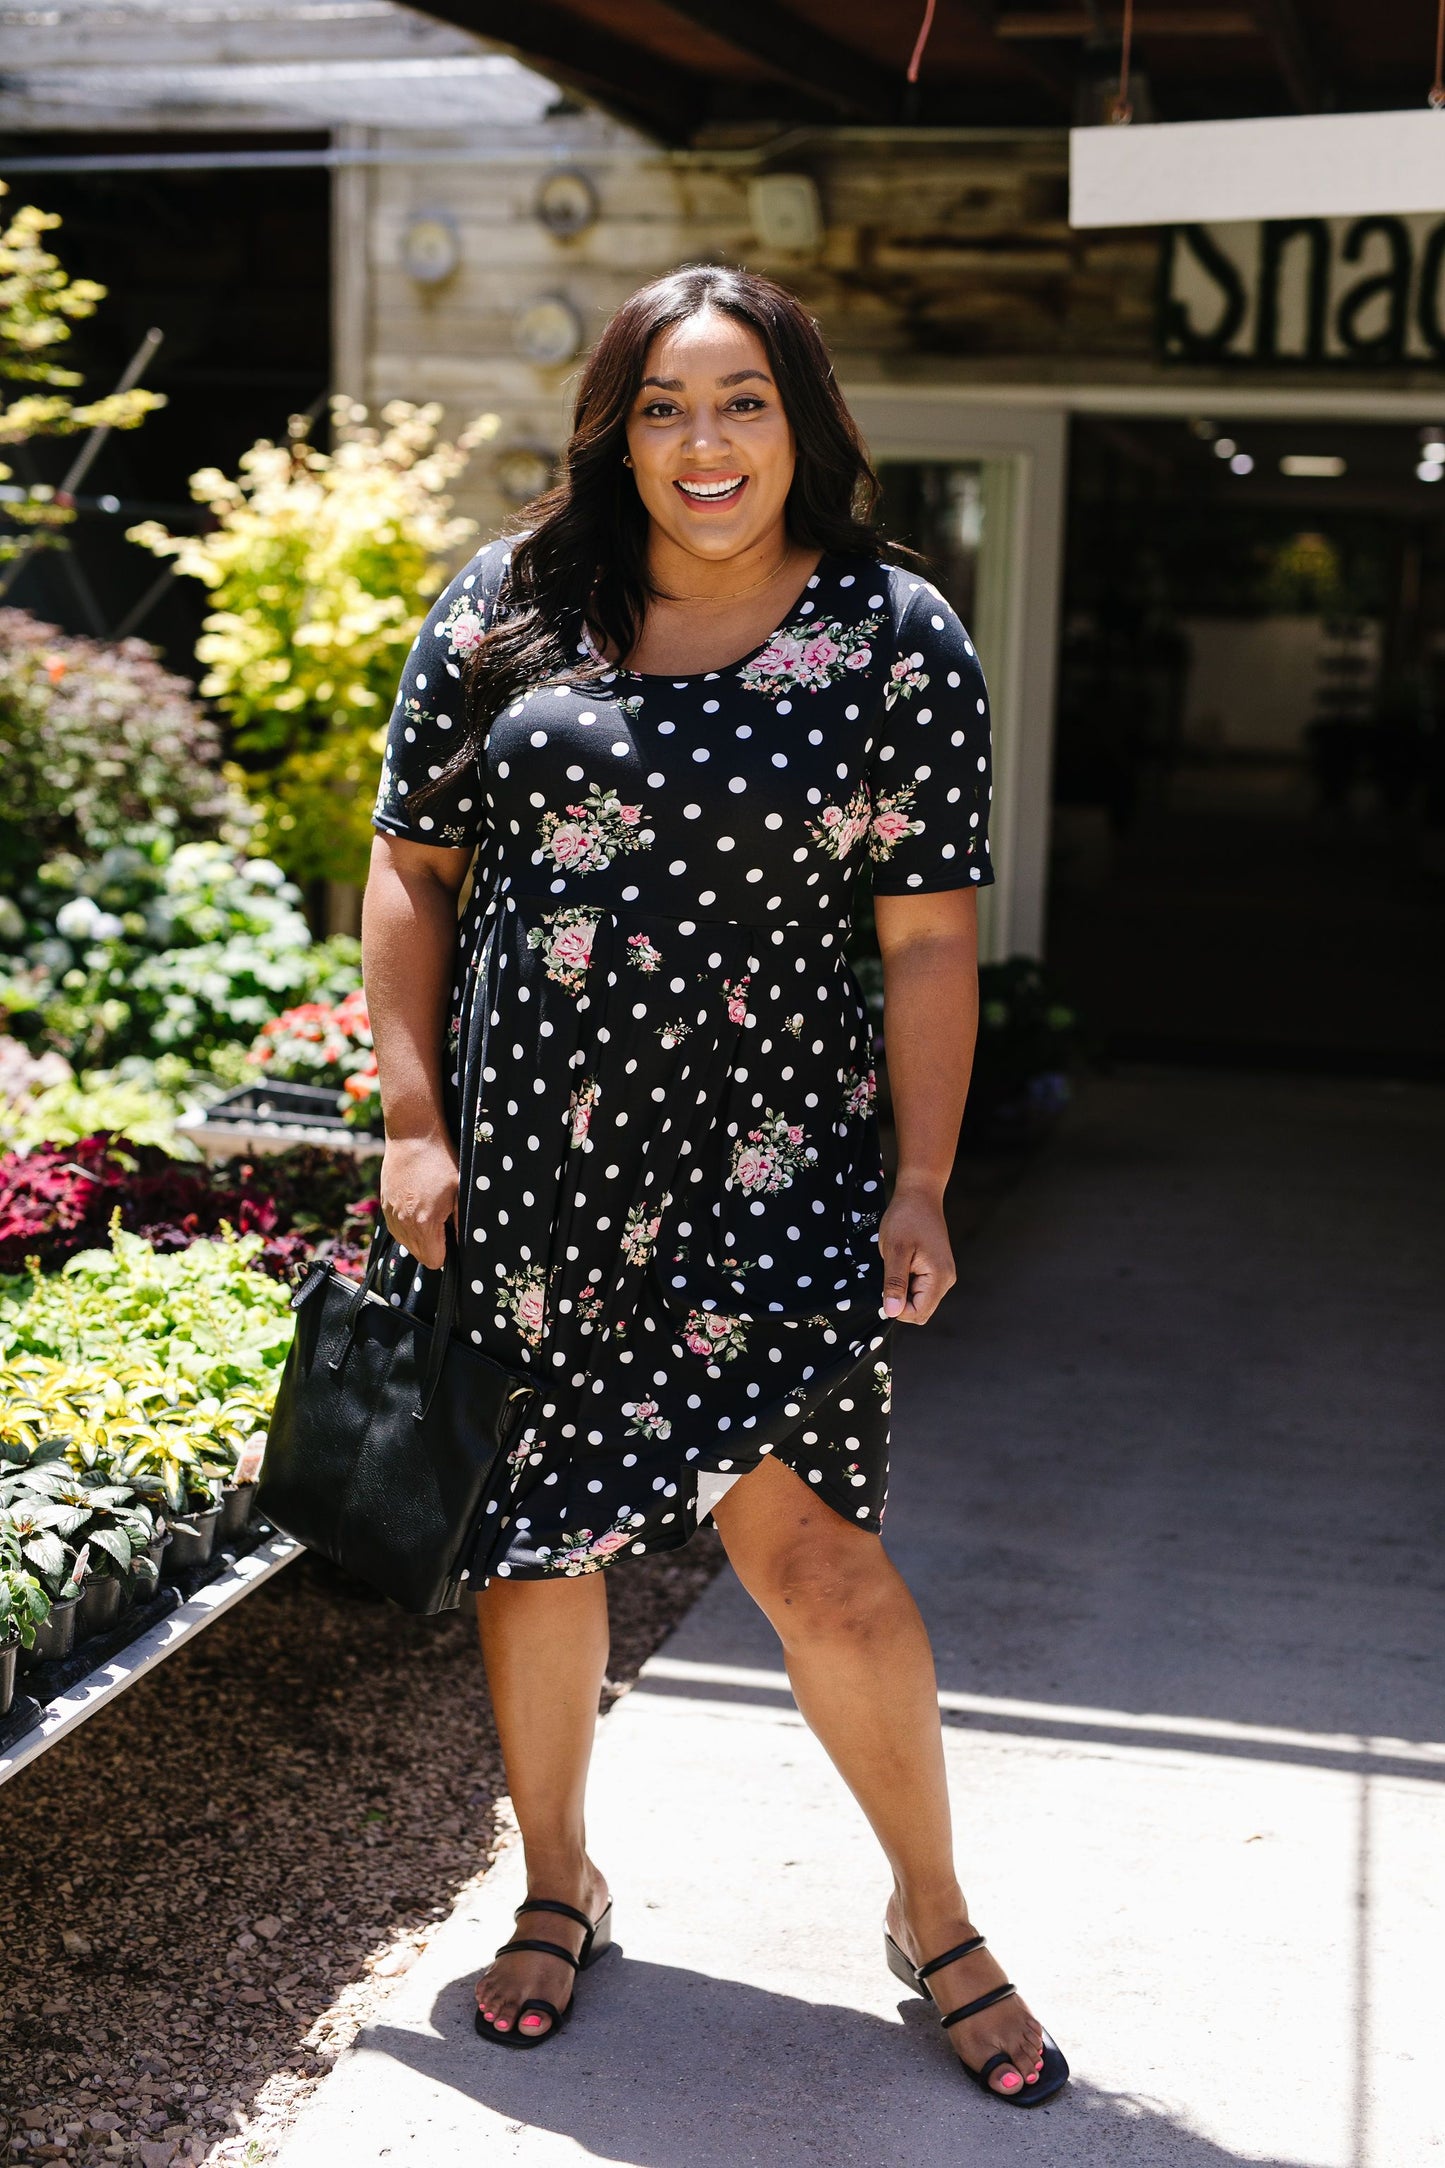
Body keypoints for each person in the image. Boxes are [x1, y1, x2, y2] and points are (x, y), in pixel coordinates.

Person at [363, 264, 1067, 2106]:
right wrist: (414, 1116)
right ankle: (556, 1886)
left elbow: (926, 941)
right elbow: (412, 870)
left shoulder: (892, 635)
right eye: (665, 406)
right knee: (543, 1550)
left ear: (800, 423)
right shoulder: (512, 606)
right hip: (532, 1171)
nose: (703, 444)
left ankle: (932, 1913)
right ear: (615, 429)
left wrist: (921, 1182)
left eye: (740, 401)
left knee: (817, 1559)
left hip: (771, 1168)